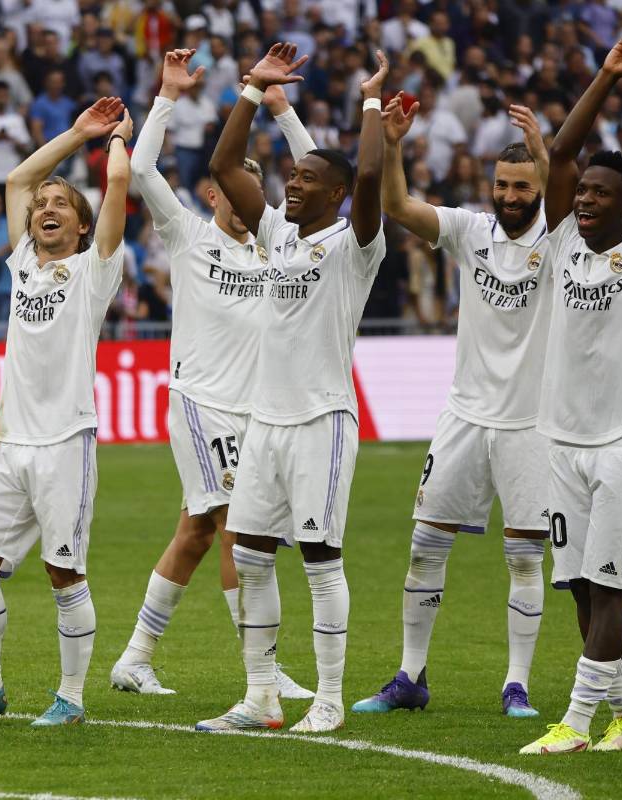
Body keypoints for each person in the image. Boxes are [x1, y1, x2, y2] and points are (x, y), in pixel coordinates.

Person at [109, 48, 317, 700]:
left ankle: (135, 657)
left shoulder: (279, 244)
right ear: (213, 192)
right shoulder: (188, 235)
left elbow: (324, 182)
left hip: (258, 409)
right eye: (235, 185)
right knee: (237, 529)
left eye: (256, 186)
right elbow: (140, 170)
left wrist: (283, 112)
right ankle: (264, 670)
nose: (246, 194)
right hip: (203, 402)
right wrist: (167, 95)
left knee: (197, 532)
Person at [195, 44, 387, 734]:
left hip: (321, 421)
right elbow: (221, 167)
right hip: (265, 423)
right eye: (291, 175)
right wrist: (251, 92)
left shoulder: (355, 246)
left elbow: (368, 170)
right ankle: (261, 698)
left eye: (307, 178)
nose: (292, 184)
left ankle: (330, 701)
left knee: (319, 557)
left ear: (335, 197)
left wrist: (368, 100)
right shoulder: (276, 232)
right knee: (248, 555)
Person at [350, 97, 552, 717]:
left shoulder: (564, 238)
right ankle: (410, 676)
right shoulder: (471, 231)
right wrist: (392, 144)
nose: (510, 195)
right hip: (464, 417)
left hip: (531, 423)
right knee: (424, 546)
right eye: (502, 184)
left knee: (524, 556)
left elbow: (567, 192)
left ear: (542, 187)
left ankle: (516, 683)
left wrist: (547, 151)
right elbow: (397, 207)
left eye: (523, 185)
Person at [0, 96, 131, 728]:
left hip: (64, 442)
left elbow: (117, 189)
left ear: (80, 228)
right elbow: (17, 179)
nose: (45, 208)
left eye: (61, 206)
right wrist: (76, 133)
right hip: (7, 443)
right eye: (42, 206)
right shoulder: (23, 262)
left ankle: (71, 698)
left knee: (62, 569)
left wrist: (115, 142)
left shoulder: (93, 272)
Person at [515, 27, 622, 755]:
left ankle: (577, 722)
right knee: (580, 587)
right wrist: (607, 74)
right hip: (561, 445)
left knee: (609, 587)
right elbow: (556, 154)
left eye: (600, 192)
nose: (583, 198)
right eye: (582, 190)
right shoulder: (561, 248)